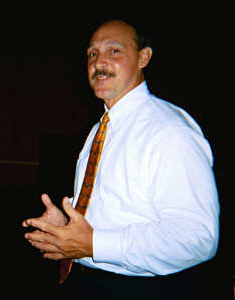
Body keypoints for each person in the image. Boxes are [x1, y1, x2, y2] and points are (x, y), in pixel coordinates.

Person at [23, 19, 219, 299]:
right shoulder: (101, 127)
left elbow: (198, 238)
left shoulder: (169, 131)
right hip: (87, 282)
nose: (99, 62)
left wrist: (94, 244)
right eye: (92, 54)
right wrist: (66, 230)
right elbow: (118, 213)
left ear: (144, 57)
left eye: (114, 51)